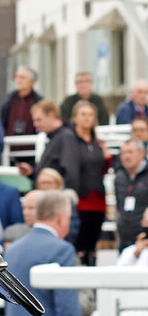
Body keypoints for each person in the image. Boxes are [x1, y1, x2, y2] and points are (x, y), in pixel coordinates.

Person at [4, 190, 81, 316]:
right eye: (69, 218)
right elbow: (67, 306)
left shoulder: (12, 250)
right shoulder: (62, 250)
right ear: (61, 218)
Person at [59, 100, 112, 266]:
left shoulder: (97, 143)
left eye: (90, 115)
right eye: (83, 114)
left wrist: (107, 157)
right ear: (75, 117)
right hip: (81, 198)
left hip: (98, 199)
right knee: (80, 240)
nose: (87, 118)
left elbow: (103, 169)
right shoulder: (71, 141)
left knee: (93, 241)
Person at [17, 99, 70, 179]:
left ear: (51, 115)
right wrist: (32, 172)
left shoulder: (65, 137)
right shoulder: (54, 138)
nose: (35, 124)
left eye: (38, 119)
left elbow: (69, 172)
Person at [115, 137, 148, 250]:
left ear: (141, 153)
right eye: (123, 152)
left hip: (143, 239)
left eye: (130, 152)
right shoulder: (120, 176)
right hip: (124, 238)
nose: (126, 156)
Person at [0, 66, 42, 142]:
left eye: (22, 78)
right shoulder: (8, 101)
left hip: (32, 147)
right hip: (10, 146)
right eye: (16, 77)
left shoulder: (38, 102)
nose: (18, 80)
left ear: (32, 82)